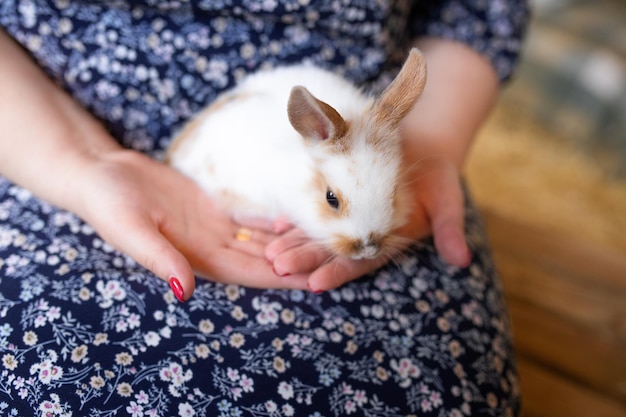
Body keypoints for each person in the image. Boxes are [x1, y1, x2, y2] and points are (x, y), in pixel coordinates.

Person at [0, 0, 529, 415]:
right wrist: (83, 161)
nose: (366, 241)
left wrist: (431, 142)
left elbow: (477, 13)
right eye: (332, 201)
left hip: (403, 131)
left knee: (451, 391)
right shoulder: (296, 153)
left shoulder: (376, 141)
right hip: (39, 141)